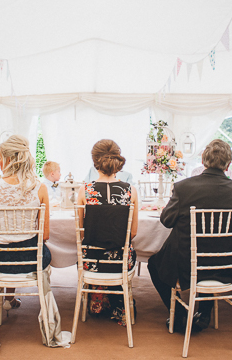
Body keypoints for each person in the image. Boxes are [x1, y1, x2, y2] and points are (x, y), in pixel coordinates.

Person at [148, 139, 232, 333]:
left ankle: (180, 313)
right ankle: (204, 312)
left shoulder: (183, 188)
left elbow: (166, 221)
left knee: (154, 264)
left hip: (187, 265)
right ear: (228, 165)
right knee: (213, 255)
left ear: (203, 162)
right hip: (224, 267)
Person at [76, 139, 139, 326]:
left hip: (93, 262)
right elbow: (133, 233)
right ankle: (117, 301)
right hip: (120, 261)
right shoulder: (131, 191)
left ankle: (97, 297)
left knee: (89, 250)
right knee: (126, 249)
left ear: (95, 161)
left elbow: (81, 235)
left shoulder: (84, 190)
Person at [0, 135, 51, 311]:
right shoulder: (40, 187)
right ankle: (37, 303)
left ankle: (8, 296)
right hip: (30, 260)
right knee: (46, 253)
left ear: (9, 160)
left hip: (0, 260)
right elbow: (45, 235)